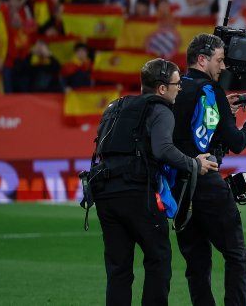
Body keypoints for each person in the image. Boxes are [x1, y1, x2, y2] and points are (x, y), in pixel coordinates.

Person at [91, 58, 218, 306]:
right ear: (162, 88)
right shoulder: (160, 109)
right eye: (177, 83)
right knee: (158, 259)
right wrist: (195, 164)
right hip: (136, 193)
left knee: (118, 269)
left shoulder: (115, 107)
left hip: (104, 193)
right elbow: (163, 150)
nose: (179, 88)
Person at [170, 33, 246, 306]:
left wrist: (225, 109)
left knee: (197, 261)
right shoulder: (211, 91)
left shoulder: (175, 88)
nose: (223, 66)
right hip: (205, 181)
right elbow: (236, 142)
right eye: (219, 59)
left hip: (178, 185)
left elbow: (188, 130)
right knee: (236, 253)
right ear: (202, 60)